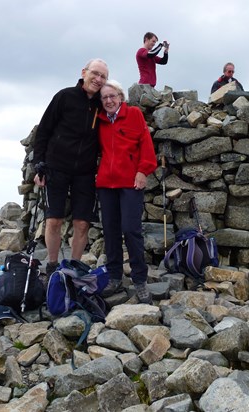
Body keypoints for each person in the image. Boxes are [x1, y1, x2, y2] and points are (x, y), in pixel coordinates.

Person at [32, 58, 109, 275]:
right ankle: (52, 266)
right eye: (95, 73)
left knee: (82, 224)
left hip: (85, 172)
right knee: (54, 220)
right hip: (56, 167)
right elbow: (44, 130)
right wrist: (39, 164)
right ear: (84, 72)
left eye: (103, 76)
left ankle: (75, 268)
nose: (98, 79)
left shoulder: (102, 103)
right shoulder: (64, 96)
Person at [96, 80, 157, 304]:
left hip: (131, 181)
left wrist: (143, 171)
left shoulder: (134, 115)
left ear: (121, 97)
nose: (109, 101)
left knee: (131, 230)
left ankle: (140, 280)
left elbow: (146, 145)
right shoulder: (99, 120)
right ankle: (114, 277)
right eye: (105, 98)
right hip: (106, 184)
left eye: (113, 96)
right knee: (110, 232)